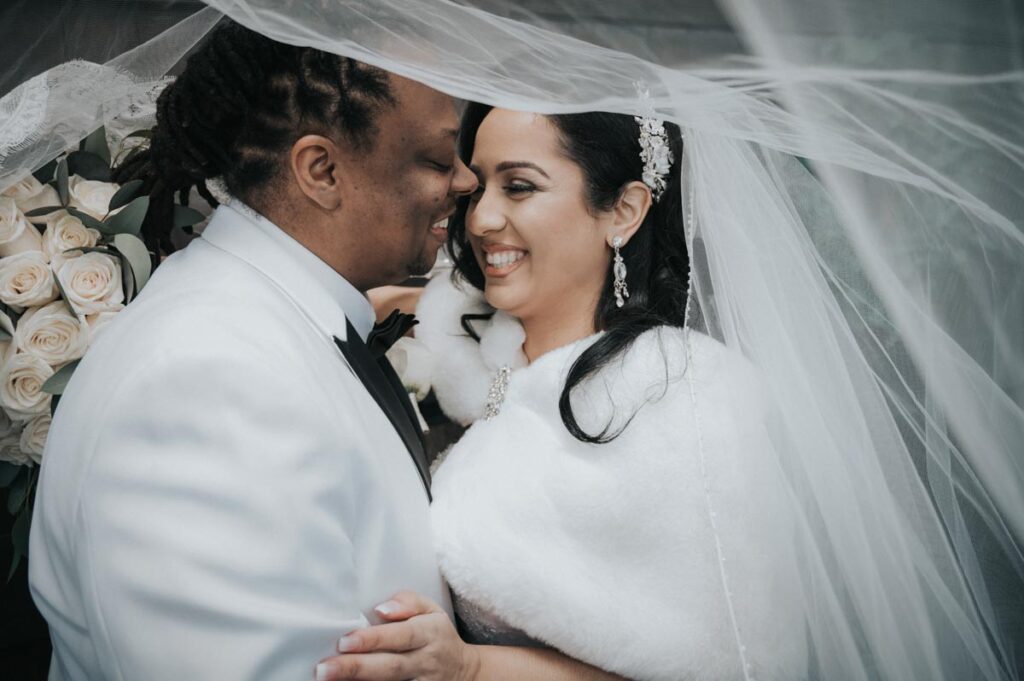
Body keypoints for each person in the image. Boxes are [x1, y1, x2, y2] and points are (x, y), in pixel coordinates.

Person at [26, 20, 481, 680]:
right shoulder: (207, 381)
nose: (466, 180)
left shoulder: (278, 325)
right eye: (438, 160)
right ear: (321, 170)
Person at [315, 105, 809, 681]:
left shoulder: (683, 397)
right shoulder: (480, 365)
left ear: (623, 211)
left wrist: (472, 668)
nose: (480, 219)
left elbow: (738, 667)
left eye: (519, 187)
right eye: (479, 187)